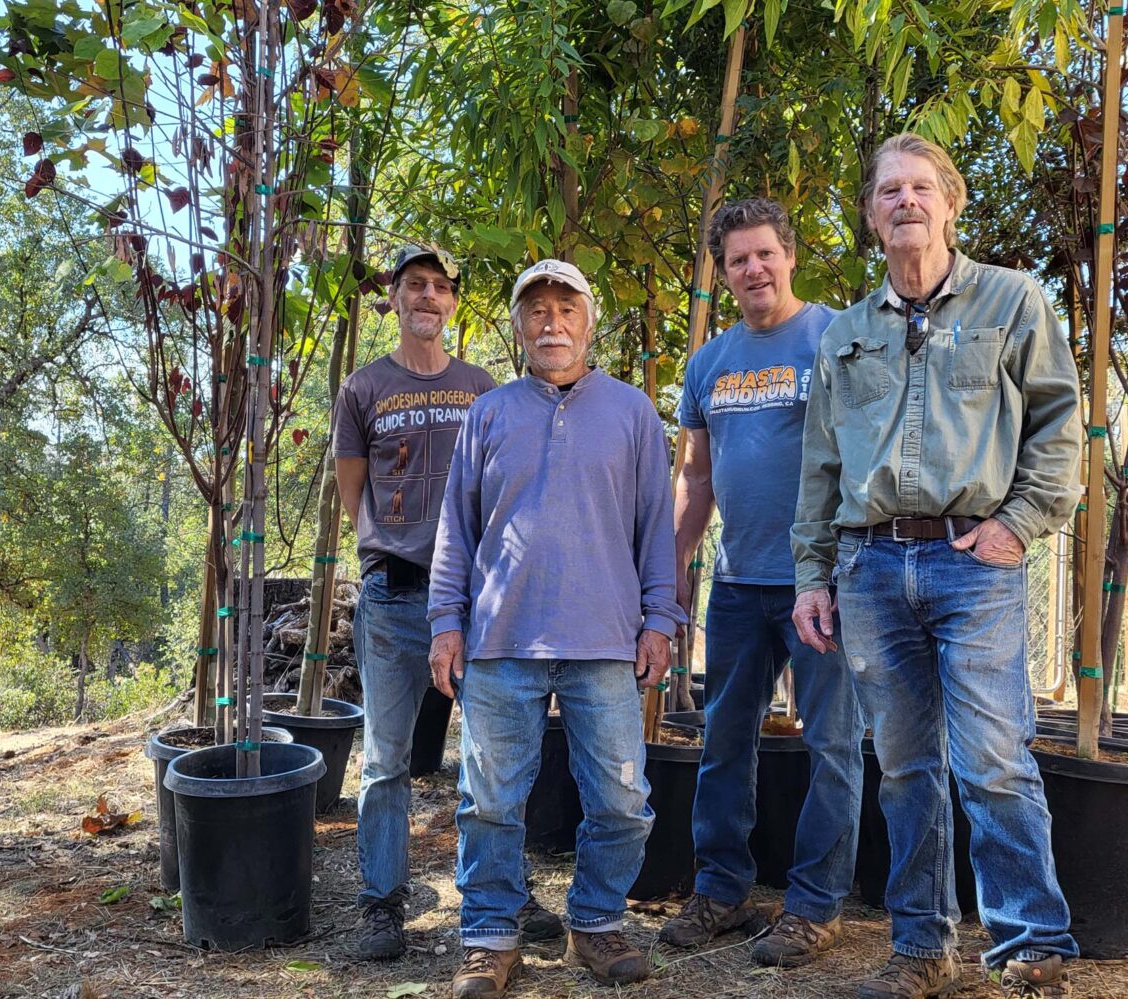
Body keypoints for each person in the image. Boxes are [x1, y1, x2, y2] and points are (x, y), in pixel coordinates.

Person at [791, 133, 1081, 998]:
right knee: (906, 765)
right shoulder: (844, 335)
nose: (906, 201)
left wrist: (1018, 524)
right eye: (890, 191)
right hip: (871, 568)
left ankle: (1032, 944)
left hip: (974, 563)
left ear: (951, 206)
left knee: (992, 758)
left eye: (922, 188)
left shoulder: (1012, 301)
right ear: (872, 215)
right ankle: (920, 947)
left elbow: (1060, 423)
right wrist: (814, 573)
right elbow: (820, 466)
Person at [427, 259, 684, 998]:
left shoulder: (633, 413)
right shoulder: (489, 414)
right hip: (501, 641)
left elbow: (654, 531)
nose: (551, 322)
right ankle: (489, 935)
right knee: (489, 802)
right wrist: (447, 622)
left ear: (588, 323)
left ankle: (596, 921)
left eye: (566, 308)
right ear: (517, 327)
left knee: (623, 801)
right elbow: (457, 528)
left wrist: (659, 619)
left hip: (605, 640)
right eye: (535, 309)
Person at [333, 245, 560, 960]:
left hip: (476, 602)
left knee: (493, 759)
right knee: (385, 762)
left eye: (439, 286)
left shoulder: (484, 389)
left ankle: (507, 893)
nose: (427, 296)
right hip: (395, 598)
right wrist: (393, 551)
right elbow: (353, 495)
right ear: (394, 300)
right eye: (413, 285)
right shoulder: (363, 388)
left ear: (453, 302)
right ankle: (381, 906)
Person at [659, 198, 864, 967]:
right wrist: (676, 565)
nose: (753, 268)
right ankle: (723, 888)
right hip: (740, 583)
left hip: (825, 581)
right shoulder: (708, 362)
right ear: (724, 272)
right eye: (737, 259)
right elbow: (696, 475)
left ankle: (816, 903)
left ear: (790, 256)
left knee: (834, 744)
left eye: (764, 254)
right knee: (724, 739)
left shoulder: (837, 336)